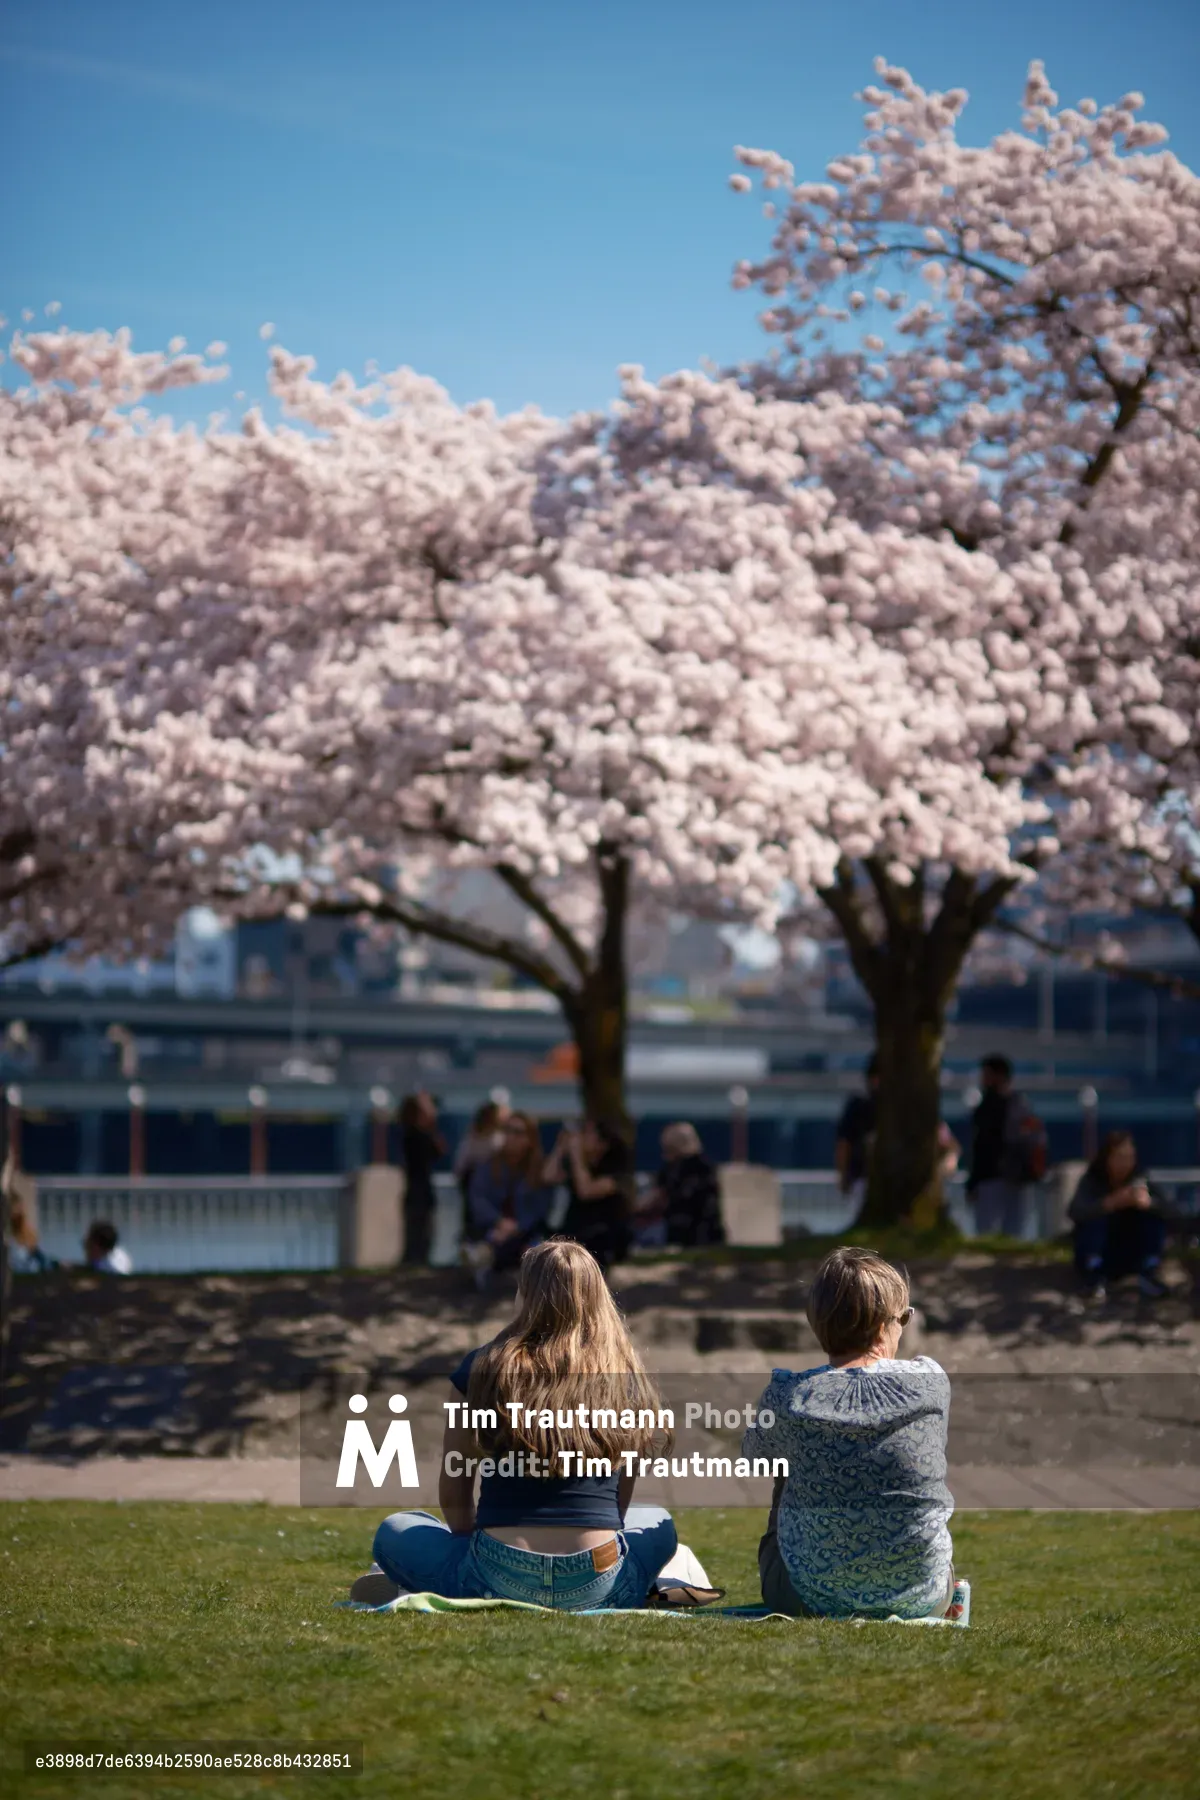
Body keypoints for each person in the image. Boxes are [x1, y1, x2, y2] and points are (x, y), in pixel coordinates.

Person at [357, 1239, 679, 1610]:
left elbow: (455, 1487)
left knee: (397, 1529)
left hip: (496, 1573)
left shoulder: (483, 1370)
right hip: (598, 1579)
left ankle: (415, 1579)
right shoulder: (623, 1377)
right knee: (657, 1519)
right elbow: (618, 1508)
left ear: (526, 1296)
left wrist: (467, 1550)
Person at [743, 1245, 955, 1620]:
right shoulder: (931, 1382)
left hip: (804, 1597)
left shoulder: (785, 1396)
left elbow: (754, 1461)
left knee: (784, 1460)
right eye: (903, 1318)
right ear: (880, 1326)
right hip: (921, 1596)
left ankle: (823, 1568)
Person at [1068, 1130, 1168, 1302]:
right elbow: (1074, 1212)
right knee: (1096, 1220)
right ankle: (1094, 1279)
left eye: (1130, 1157)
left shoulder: (1140, 1179)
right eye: (1120, 1157)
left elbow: (1174, 1212)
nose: (1125, 1163)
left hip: (1130, 1254)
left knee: (1151, 1218)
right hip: (1098, 1253)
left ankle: (1148, 1274)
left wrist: (1149, 1204)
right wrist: (1109, 1204)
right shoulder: (1093, 1180)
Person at [462, 1110, 553, 1286]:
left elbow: (541, 1208)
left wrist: (516, 1226)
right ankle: (482, 1256)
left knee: (533, 1244)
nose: (511, 1137)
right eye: (507, 1130)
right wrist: (499, 1222)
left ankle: (484, 1256)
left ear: (529, 1139)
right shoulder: (488, 1166)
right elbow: (478, 1200)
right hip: (494, 1228)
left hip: (526, 1230)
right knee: (493, 1237)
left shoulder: (538, 1170)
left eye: (518, 1132)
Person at [544, 1118, 632, 1274]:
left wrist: (576, 1154)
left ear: (603, 1144)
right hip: (575, 1230)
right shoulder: (579, 1166)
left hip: (603, 1236)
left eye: (586, 1133)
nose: (580, 1137)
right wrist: (559, 1148)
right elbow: (548, 1177)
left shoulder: (616, 1171)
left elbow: (586, 1191)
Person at [966, 1054, 1032, 1238]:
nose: (983, 1079)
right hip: (1016, 1175)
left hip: (991, 1175)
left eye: (986, 1074)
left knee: (987, 1229)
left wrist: (972, 1182)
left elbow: (981, 1146)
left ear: (998, 1075)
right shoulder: (1020, 1104)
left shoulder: (988, 1106)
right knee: (1013, 1229)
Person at [633, 1123, 724, 1249]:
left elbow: (659, 1198)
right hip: (708, 1233)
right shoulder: (706, 1168)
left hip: (682, 1232)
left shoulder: (677, 1170)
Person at [398, 1091, 446, 1267]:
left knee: (420, 1236)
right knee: (418, 1237)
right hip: (418, 1193)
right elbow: (438, 1150)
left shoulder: (412, 1134)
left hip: (419, 1192)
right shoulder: (415, 1135)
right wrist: (431, 1122)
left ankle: (415, 1264)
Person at [834, 1056, 879, 1209]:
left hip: (861, 1180)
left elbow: (843, 1145)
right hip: (863, 1179)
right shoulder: (859, 1106)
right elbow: (844, 1144)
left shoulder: (857, 1106)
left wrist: (843, 1177)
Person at [454, 1099, 508, 1210]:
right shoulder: (497, 1139)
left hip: (482, 1187)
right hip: (482, 1186)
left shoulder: (470, 1139)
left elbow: (459, 1166)